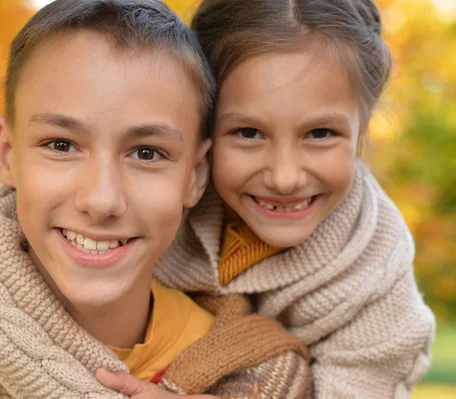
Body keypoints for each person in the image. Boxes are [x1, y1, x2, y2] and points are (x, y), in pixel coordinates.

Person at [0, 1, 311, 398]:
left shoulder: (264, 379)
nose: (101, 199)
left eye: (147, 153)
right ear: (7, 155)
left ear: (195, 177)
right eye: (61, 145)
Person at [154, 0, 436, 397]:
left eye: (320, 133)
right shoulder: (152, 199)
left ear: (364, 125)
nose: (285, 178)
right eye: (249, 133)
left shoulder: (375, 268)